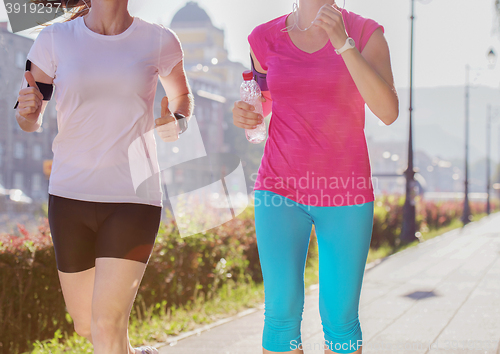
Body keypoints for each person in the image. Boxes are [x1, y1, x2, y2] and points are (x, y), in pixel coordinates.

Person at [14, 0, 193, 353]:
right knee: (87, 325)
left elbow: (182, 96)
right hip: (69, 196)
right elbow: (28, 117)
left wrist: (178, 121)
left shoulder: (159, 40)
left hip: (133, 197)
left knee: (106, 325)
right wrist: (28, 110)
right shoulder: (53, 39)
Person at [232, 1, 398, 353]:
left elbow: (388, 111)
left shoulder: (366, 32)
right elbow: (263, 102)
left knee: (340, 320)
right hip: (279, 192)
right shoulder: (263, 38)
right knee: (280, 316)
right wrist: (247, 114)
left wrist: (343, 44)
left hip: (345, 194)